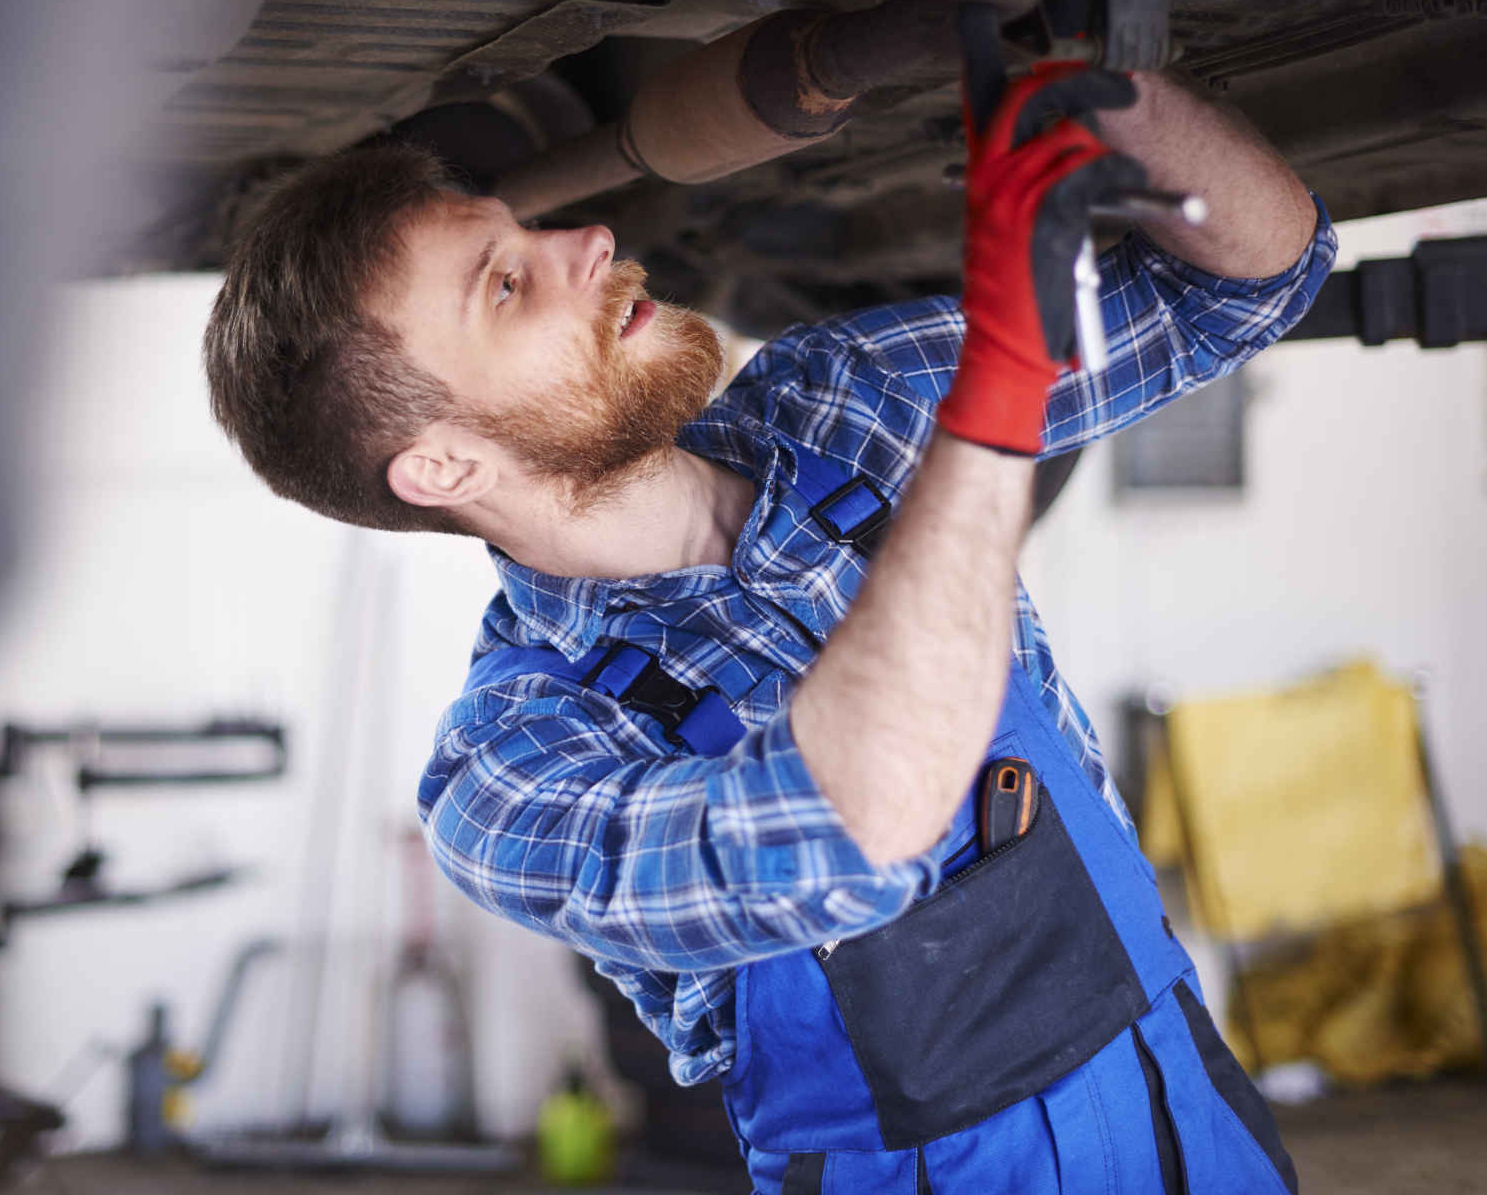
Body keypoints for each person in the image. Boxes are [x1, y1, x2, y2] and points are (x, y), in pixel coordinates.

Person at [204, 63, 1332, 1194]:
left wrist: (1102, 77)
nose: (589, 239)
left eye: (530, 228)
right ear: (443, 465)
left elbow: (1254, 285)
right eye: (506, 285)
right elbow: (844, 833)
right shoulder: (512, 765)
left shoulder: (838, 404)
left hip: (1181, 1109)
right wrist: (998, 384)